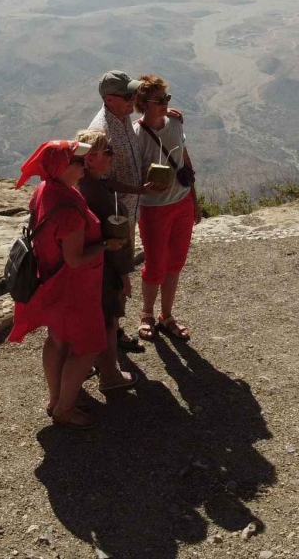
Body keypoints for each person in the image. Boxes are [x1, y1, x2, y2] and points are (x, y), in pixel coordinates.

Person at [8, 139, 126, 429]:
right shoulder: (69, 210)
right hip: (76, 288)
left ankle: (55, 398)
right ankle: (64, 408)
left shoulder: (45, 190)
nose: (83, 164)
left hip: (53, 282)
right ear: (62, 167)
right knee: (87, 347)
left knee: (58, 340)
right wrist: (106, 245)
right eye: (77, 160)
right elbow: (75, 259)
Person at [86, 70, 169, 350]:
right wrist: (140, 190)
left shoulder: (122, 117)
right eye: (129, 95)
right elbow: (101, 178)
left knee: (121, 270)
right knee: (114, 274)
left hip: (127, 212)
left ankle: (111, 329)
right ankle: (111, 333)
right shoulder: (102, 130)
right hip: (113, 216)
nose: (135, 98)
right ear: (109, 99)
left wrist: (169, 112)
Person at [133, 75, 200, 341]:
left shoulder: (174, 123)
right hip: (154, 208)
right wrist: (145, 185)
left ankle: (167, 315)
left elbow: (184, 160)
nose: (165, 104)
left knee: (176, 263)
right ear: (143, 103)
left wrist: (194, 200)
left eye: (166, 99)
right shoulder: (136, 135)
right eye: (159, 100)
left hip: (181, 202)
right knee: (155, 264)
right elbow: (131, 174)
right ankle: (146, 314)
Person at [73, 129, 138, 395]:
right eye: (107, 152)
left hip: (83, 269)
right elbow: (116, 244)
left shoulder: (82, 185)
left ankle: (84, 368)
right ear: (90, 159)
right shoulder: (99, 195)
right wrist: (124, 277)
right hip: (102, 271)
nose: (113, 156)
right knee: (108, 321)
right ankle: (109, 375)